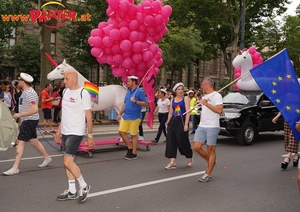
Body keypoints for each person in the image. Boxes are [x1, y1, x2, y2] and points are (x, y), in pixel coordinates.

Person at [54, 69, 94, 203]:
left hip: (76, 132)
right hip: (65, 131)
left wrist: (90, 136)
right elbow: (64, 113)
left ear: (74, 79)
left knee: (67, 162)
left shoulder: (83, 93)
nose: (63, 81)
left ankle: (84, 186)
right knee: (68, 163)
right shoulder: (65, 92)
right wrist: (59, 130)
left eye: (66, 79)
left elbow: (88, 116)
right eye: (63, 79)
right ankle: (72, 191)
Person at [3, 73, 52, 176]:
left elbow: (34, 109)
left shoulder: (30, 93)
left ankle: (15, 168)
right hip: (28, 120)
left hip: (29, 120)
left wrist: (19, 114)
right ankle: (47, 158)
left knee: (20, 142)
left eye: (19, 80)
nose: (18, 82)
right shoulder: (25, 92)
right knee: (34, 141)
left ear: (23, 82)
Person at [193, 77, 223, 182]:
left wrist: (207, 104)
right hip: (202, 125)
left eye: (202, 84)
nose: (201, 86)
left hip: (212, 126)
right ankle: (211, 161)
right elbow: (205, 110)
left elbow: (219, 110)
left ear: (207, 84)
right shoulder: (205, 96)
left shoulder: (217, 95)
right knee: (196, 147)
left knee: (211, 150)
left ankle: (208, 173)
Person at [117, 76, 148, 160]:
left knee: (133, 134)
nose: (127, 83)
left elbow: (146, 103)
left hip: (135, 117)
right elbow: (125, 104)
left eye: (129, 81)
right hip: (126, 115)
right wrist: (120, 114)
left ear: (134, 82)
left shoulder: (139, 92)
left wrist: (135, 101)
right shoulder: (128, 92)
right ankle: (130, 147)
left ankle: (134, 153)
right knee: (121, 132)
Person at [164, 82, 193, 170]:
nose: (180, 91)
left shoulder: (186, 99)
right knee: (171, 140)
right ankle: (172, 161)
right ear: (175, 91)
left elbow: (188, 112)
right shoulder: (172, 100)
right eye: (178, 89)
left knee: (182, 140)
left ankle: (189, 156)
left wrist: (186, 124)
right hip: (173, 121)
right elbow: (170, 113)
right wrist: (167, 123)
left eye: (182, 89)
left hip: (182, 120)